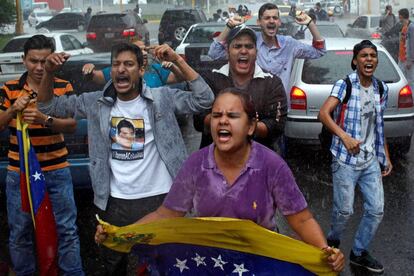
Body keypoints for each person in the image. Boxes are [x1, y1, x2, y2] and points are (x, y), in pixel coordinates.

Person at [96, 88, 345, 273]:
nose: (222, 120)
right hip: (207, 262)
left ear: (250, 127)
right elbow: (165, 216)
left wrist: (325, 253)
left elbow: (300, 218)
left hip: (257, 262)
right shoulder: (196, 164)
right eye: (216, 115)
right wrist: (121, 234)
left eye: (232, 115)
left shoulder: (271, 165)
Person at [37, 43, 214, 275]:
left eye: (129, 64)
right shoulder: (95, 102)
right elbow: (48, 105)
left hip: (161, 200)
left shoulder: (162, 98)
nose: (121, 69)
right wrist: (49, 71)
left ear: (141, 70)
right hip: (114, 202)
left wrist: (178, 60)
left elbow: (205, 99)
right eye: (116, 64)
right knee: (114, 266)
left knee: (163, 265)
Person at [0, 35, 84, 275]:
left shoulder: (62, 85)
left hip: (57, 169)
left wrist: (44, 119)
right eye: (33, 61)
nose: (38, 67)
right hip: (20, 172)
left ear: (52, 61)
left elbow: (72, 125)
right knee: (20, 232)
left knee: (66, 229)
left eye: (44, 61)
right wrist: (13, 110)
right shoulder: (9, 89)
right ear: (23, 60)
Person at [318, 40, 392, 273]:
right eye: (364, 56)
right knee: (344, 211)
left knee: (376, 209)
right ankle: (332, 240)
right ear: (355, 60)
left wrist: (386, 157)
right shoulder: (345, 85)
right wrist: (344, 137)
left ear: (376, 61)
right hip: (345, 160)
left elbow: (379, 125)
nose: (369, 59)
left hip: (370, 159)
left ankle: (359, 252)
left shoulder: (381, 88)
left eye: (372, 56)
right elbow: (323, 114)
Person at [194, 25, 287, 151]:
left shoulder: (272, 83)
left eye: (249, 46)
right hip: (214, 158)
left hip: (259, 159)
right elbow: (198, 119)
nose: (243, 51)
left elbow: (277, 126)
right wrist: (241, 123)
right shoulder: (211, 79)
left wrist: (238, 125)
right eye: (237, 46)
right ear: (227, 51)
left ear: (256, 51)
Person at [208, 3, 326, 95]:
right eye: (267, 18)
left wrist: (310, 24)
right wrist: (229, 26)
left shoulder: (289, 44)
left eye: (275, 18)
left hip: (279, 108)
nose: (271, 21)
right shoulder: (250, 42)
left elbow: (319, 51)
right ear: (259, 22)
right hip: (251, 105)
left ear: (279, 22)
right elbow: (214, 53)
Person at [82, 40, 185, 88]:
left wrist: (174, 62)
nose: (144, 53)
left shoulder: (156, 69)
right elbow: (93, 77)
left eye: (145, 50)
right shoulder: (118, 71)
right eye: (139, 51)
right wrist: (88, 70)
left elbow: (181, 77)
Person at [398, 8, 414, 89]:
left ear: (401, 16)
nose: (398, 18)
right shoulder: (404, 26)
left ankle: (411, 98)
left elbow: (412, 45)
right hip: (401, 58)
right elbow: (403, 42)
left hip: (407, 60)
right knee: (402, 81)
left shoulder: (411, 27)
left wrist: (410, 60)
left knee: (409, 81)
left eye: (399, 16)